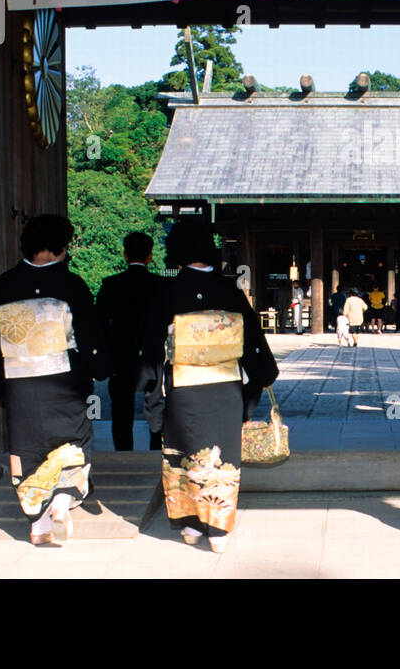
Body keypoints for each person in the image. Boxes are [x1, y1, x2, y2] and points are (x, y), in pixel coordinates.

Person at [140, 220, 279, 553]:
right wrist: (250, 395)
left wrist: (152, 399)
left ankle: (189, 526)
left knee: (184, 452)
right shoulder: (229, 291)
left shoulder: (166, 291)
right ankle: (218, 530)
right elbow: (253, 345)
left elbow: (151, 349)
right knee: (222, 456)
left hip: (184, 389)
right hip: (224, 390)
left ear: (177, 250)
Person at [0, 214, 100, 546]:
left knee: (28, 449)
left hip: (21, 382)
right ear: (59, 248)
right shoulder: (72, 285)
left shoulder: (6, 283)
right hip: (64, 384)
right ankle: (61, 501)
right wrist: (91, 367)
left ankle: (38, 525)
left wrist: (8, 356)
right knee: (72, 441)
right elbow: (91, 332)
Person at [96, 232, 164, 451]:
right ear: (150, 256)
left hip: (120, 354)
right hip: (154, 354)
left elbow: (100, 323)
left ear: (125, 255)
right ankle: (156, 449)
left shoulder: (111, 285)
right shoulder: (161, 285)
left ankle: (123, 452)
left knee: (121, 409)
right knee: (156, 404)